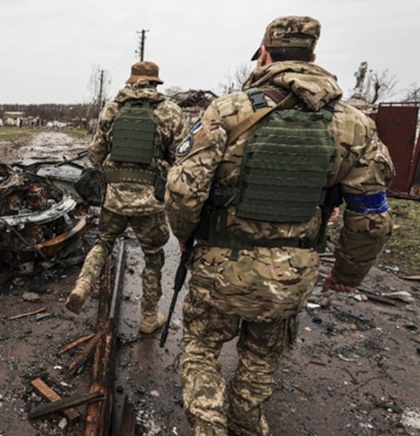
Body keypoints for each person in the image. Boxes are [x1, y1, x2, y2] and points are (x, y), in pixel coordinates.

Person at [164, 16, 394, 435]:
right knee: (261, 358)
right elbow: (371, 215)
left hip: (219, 269)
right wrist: (347, 273)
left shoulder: (228, 110)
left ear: (265, 55)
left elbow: (183, 190)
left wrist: (185, 237)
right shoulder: (354, 124)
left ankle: (208, 427)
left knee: (200, 349)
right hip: (291, 274)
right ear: (313, 57)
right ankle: (247, 422)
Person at [65, 61, 188, 335]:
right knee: (153, 257)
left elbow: (95, 155)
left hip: (114, 199)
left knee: (103, 242)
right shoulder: (170, 111)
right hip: (151, 202)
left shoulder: (112, 109)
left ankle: (83, 284)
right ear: (156, 83)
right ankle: (148, 317)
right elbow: (182, 158)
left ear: (131, 81)